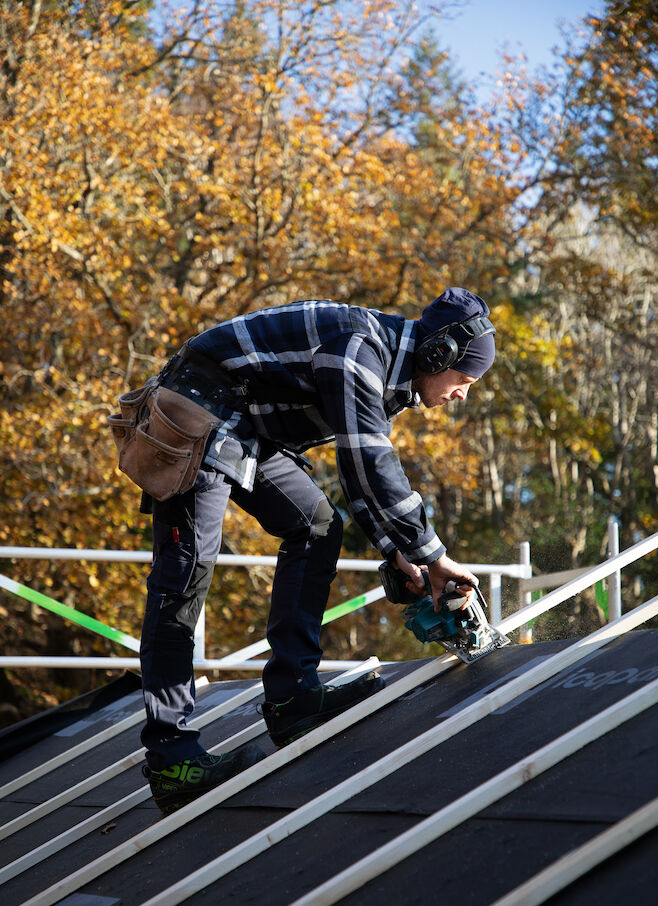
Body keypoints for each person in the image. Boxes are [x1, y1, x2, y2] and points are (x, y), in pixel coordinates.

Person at [138, 287, 496, 813]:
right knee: (185, 575)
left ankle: (293, 697)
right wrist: (433, 554)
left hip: (245, 427)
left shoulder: (385, 368)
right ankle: (172, 759)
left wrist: (402, 554)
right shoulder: (358, 352)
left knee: (318, 525)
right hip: (195, 412)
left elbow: (360, 474)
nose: (463, 394)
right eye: (464, 379)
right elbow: (371, 466)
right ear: (437, 354)